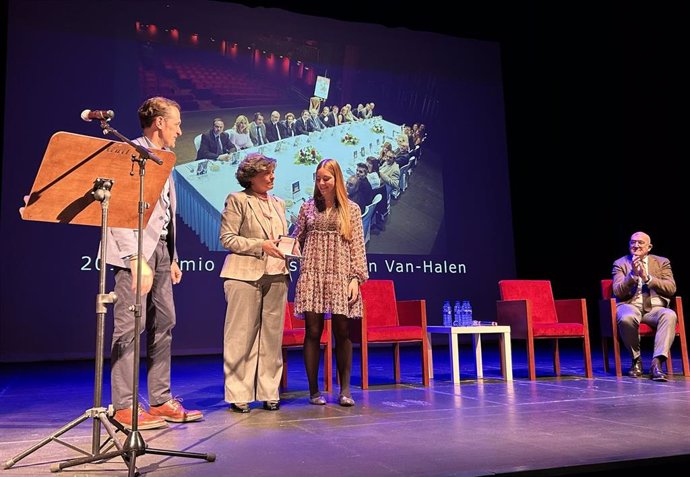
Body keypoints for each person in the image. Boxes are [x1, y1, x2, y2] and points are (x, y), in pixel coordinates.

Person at [106, 96, 203, 429]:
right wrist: (134, 258)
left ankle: (160, 401)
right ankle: (123, 407)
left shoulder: (164, 158)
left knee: (165, 323)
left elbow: (166, 213)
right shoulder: (129, 152)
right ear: (159, 122)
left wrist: (172, 256)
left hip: (161, 252)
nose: (179, 130)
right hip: (134, 253)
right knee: (130, 328)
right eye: (175, 123)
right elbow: (117, 211)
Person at [292, 159, 369, 407]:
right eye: (318, 178)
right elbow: (297, 240)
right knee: (313, 332)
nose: (322, 183)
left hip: (340, 274)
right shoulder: (307, 208)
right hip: (313, 273)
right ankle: (314, 391)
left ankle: (345, 390)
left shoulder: (352, 209)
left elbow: (358, 246)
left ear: (337, 179)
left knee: (342, 331)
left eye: (326, 178)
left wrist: (355, 278)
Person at [219, 154, 290, 413]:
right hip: (243, 275)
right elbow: (227, 238)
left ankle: (269, 391)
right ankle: (239, 394)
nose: (272, 177)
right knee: (241, 336)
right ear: (251, 177)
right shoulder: (238, 200)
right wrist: (260, 246)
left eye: (273, 172)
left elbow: (281, 238)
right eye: (266, 173)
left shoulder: (279, 203)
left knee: (271, 337)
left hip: (277, 274)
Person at [612, 231, 678, 382]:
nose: (636, 245)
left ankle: (657, 363)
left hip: (654, 309)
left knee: (669, 315)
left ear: (649, 247)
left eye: (640, 242)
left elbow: (671, 288)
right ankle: (636, 360)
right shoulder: (620, 263)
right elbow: (617, 291)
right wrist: (632, 276)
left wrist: (647, 278)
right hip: (630, 305)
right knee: (626, 317)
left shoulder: (662, 262)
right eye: (632, 242)